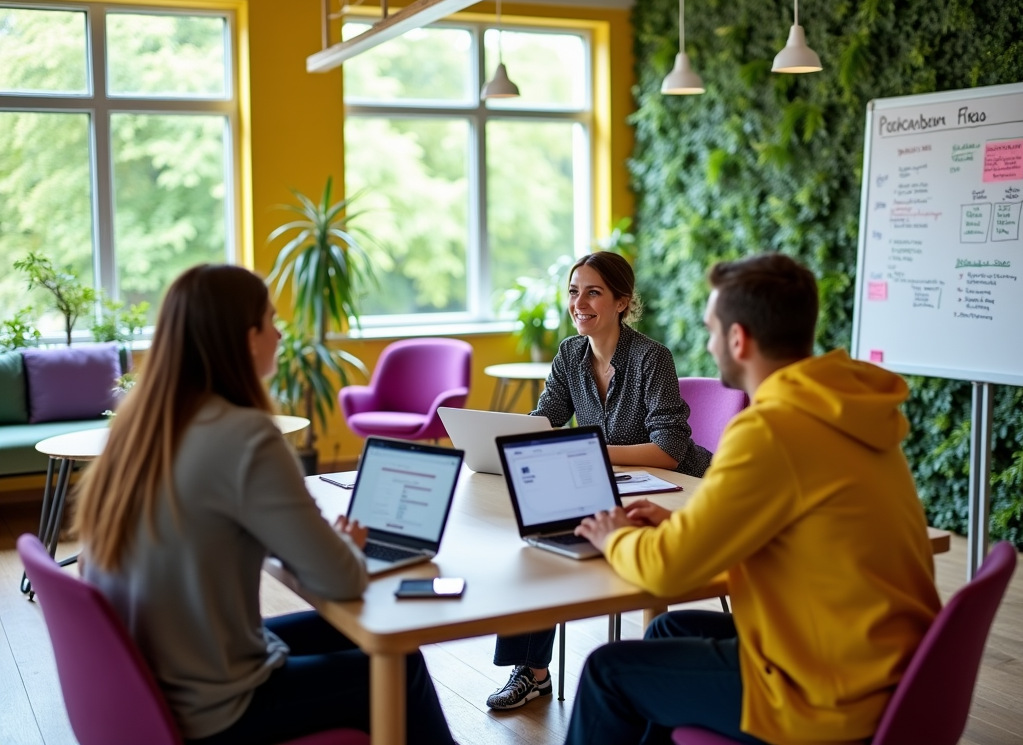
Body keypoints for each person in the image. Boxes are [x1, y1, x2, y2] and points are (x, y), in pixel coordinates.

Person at [565, 252, 941, 745]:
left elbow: (667, 571)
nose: (708, 342)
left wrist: (615, 536)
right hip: (887, 666)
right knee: (665, 634)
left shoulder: (771, 431)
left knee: (607, 673)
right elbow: (773, 522)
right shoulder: (845, 409)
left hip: (826, 692)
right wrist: (676, 526)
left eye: (711, 329)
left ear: (738, 339)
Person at [72, 264, 455, 745]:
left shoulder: (139, 426)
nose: (278, 334)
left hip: (150, 682)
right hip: (215, 706)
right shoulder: (247, 436)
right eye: (269, 321)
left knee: (362, 638)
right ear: (244, 337)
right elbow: (341, 578)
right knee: (399, 664)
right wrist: (344, 546)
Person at [486, 251, 713, 711]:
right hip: (610, 485)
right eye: (574, 291)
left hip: (677, 488)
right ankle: (532, 672)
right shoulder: (571, 354)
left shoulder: (652, 358)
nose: (579, 302)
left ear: (622, 302)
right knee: (541, 538)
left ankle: (651, 682)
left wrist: (589, 452)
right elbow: (546, 417)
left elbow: (668, 449)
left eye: (593, 292)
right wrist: (516, 439)